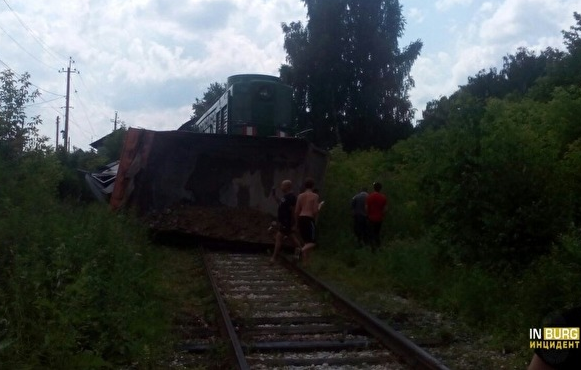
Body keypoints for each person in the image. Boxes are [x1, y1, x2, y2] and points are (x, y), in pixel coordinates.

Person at [270, 180, 302, 264]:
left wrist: (295, 223)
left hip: (287, 222)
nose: (281, 187)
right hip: (284, 222)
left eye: (282, 185)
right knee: (293, 239)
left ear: (287, 187)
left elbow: (294, 211)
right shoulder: (285, 197)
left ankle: (274, 258)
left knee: (279, 238)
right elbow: (280, 203)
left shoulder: (292, 197)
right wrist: (274, 195)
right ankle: (299, 254)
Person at [295, 177, 321, 265]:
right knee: (313, 242)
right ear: (313, 186)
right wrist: (319, 207)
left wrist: (296, 222)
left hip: (301, 217)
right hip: (309, 218)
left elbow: (297, 210)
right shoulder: (315, 196)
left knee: (306, 241)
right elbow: (314, 211)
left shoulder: (300, 196)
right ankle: (300, 250)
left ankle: (305, 263)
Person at [365, 182, 388, 252]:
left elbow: (366, 208)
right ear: (380, 188)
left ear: (374, 188)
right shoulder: (383, 197)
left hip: (371, 218)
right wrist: (382, 215)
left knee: (371, 233)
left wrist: (368, 215)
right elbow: (385, 209)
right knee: (377, 233)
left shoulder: (369, 197)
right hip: (379, 219)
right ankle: (379, 247)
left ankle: (373, 248)